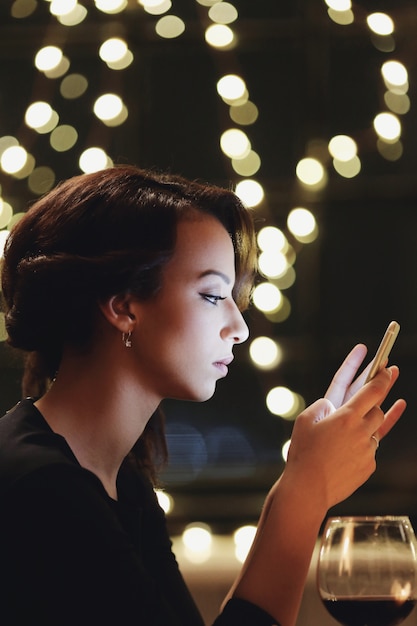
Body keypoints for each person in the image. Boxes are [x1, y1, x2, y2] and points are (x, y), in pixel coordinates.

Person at [0, 165, 405, 626]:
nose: (240, 328)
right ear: (122, 306)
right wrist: (305, 491)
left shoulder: (120, 484)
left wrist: (300, 480)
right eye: (213, 296)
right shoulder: (40, 489)